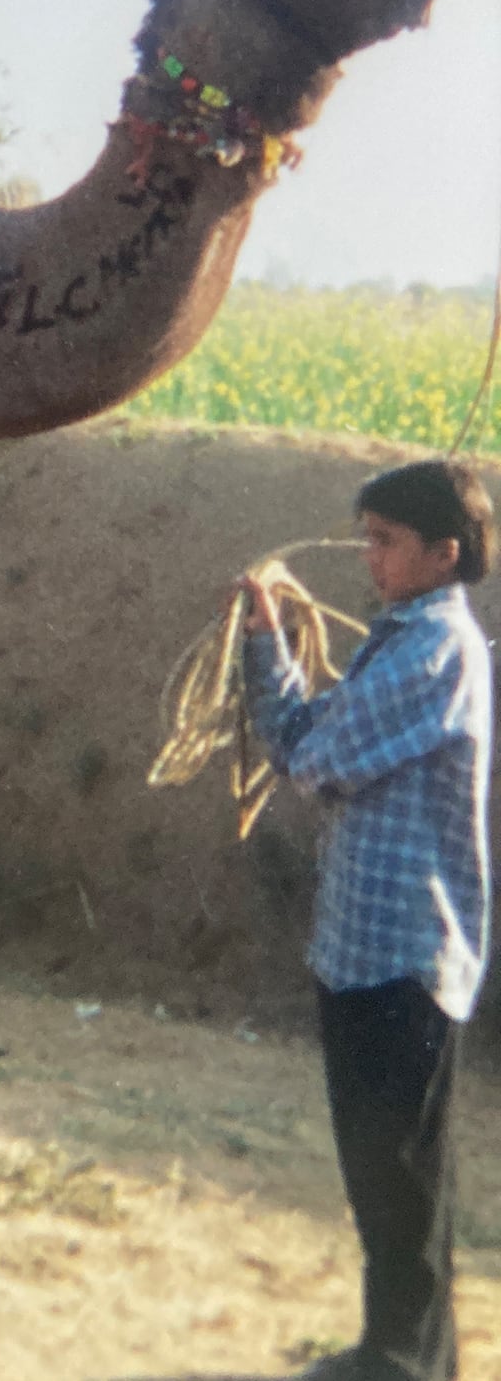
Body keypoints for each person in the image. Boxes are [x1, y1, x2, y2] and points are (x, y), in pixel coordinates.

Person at [240, 459, 495, 1381]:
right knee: (386, 1173)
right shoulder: (399, 641)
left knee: (400, 1176)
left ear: (444, 553)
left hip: (404, 954)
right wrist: (265, 641)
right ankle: (406, 1355)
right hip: (363, 948)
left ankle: (400, 1363)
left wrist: (292, 700)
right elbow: (296, 739)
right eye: (368, 538)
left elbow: (315, 760)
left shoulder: (434, 650)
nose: (369, 557)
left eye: (386, 540)